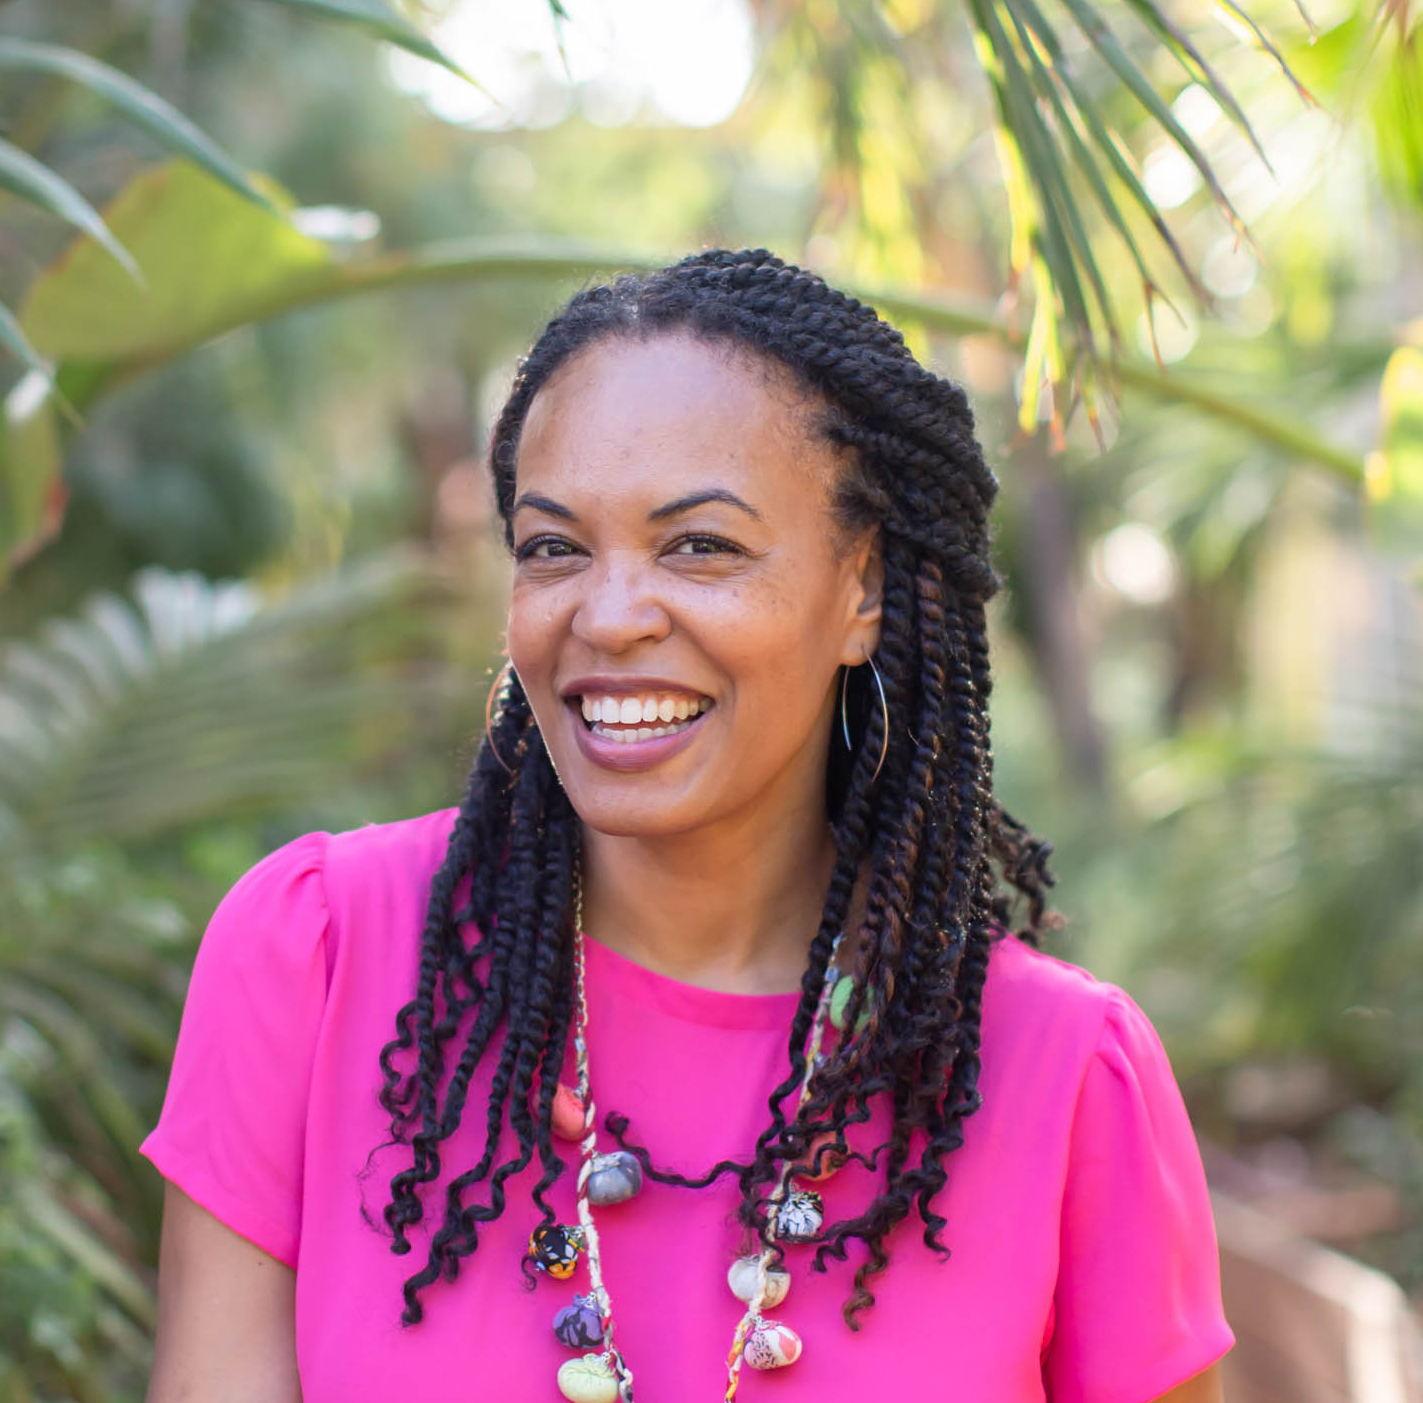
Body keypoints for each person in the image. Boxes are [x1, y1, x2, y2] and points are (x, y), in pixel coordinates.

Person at [142, 249, 1234, 1403]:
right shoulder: (319, 955)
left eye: (698, 545)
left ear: (861, 591)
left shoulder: (1063, 1077)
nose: (609, 616)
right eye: (553, 547)